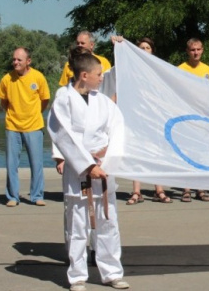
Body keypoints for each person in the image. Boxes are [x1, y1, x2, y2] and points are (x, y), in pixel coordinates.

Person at [47, 50, 129, 291]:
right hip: (79, 170)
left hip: (104, 168)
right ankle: (78, 276)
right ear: (84, 75)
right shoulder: (63, 98)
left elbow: (118, 129)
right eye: (97, 74)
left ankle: (112, 272)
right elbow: (62, 133)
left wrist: (108, 160)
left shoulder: (103, 101)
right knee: (78, 224)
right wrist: (88, 164)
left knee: (108, 221)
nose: (101, 78)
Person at [104, 37, 173, 204]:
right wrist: (119, 47)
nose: (143, 50)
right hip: (134, 118)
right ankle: (136, 192)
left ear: (152, 51)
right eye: (140, 47)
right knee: (135, 153)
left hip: (153, 118)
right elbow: (118, 89)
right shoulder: (129, 71)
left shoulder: (156, 71)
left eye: (147, 48)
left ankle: (159, 190)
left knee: (157, 154)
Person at [0, 47, 50, 207]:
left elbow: (44, 100)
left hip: (34, 126)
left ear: (28, 61)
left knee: (36, 163)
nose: (15, 62)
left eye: (19, 60)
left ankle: (37, 195)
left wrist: (34, 113)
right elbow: (3, 101)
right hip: (13, 126)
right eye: (14, 59)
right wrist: (14, 114)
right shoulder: (7, 79)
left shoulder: (38, 77)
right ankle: (13, 196)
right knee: (12, 164)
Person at [176, 38, 209, 202]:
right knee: (187, 153)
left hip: (203, 117)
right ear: (187, 51)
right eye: (192, 50)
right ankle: (186, 189)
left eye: (198, 49)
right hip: (186, 117)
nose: (196, 52)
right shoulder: (180, 69)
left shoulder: (208, 70)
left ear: (202, 50)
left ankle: (201, 187)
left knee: (201, 153)